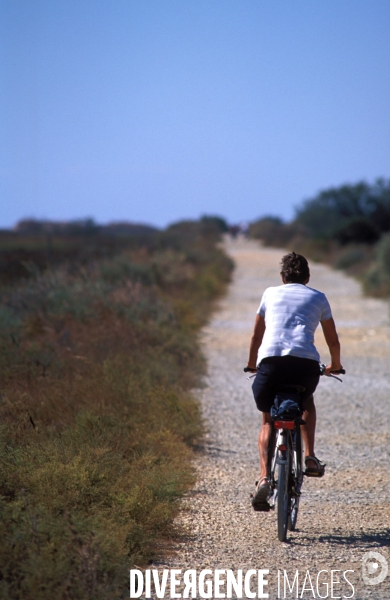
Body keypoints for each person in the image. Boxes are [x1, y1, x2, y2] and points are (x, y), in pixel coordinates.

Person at [246, 252, 343, 511]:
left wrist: (252, 363)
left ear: (282, 277)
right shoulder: (318, 297)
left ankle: (265, 477)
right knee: (306, 399)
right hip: (305, 365)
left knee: (268, 419)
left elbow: (256, 337)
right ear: (307, 278)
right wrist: (336, 364)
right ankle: (309, 457)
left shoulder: (269, 293)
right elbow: (333, 340)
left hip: (270, 364)